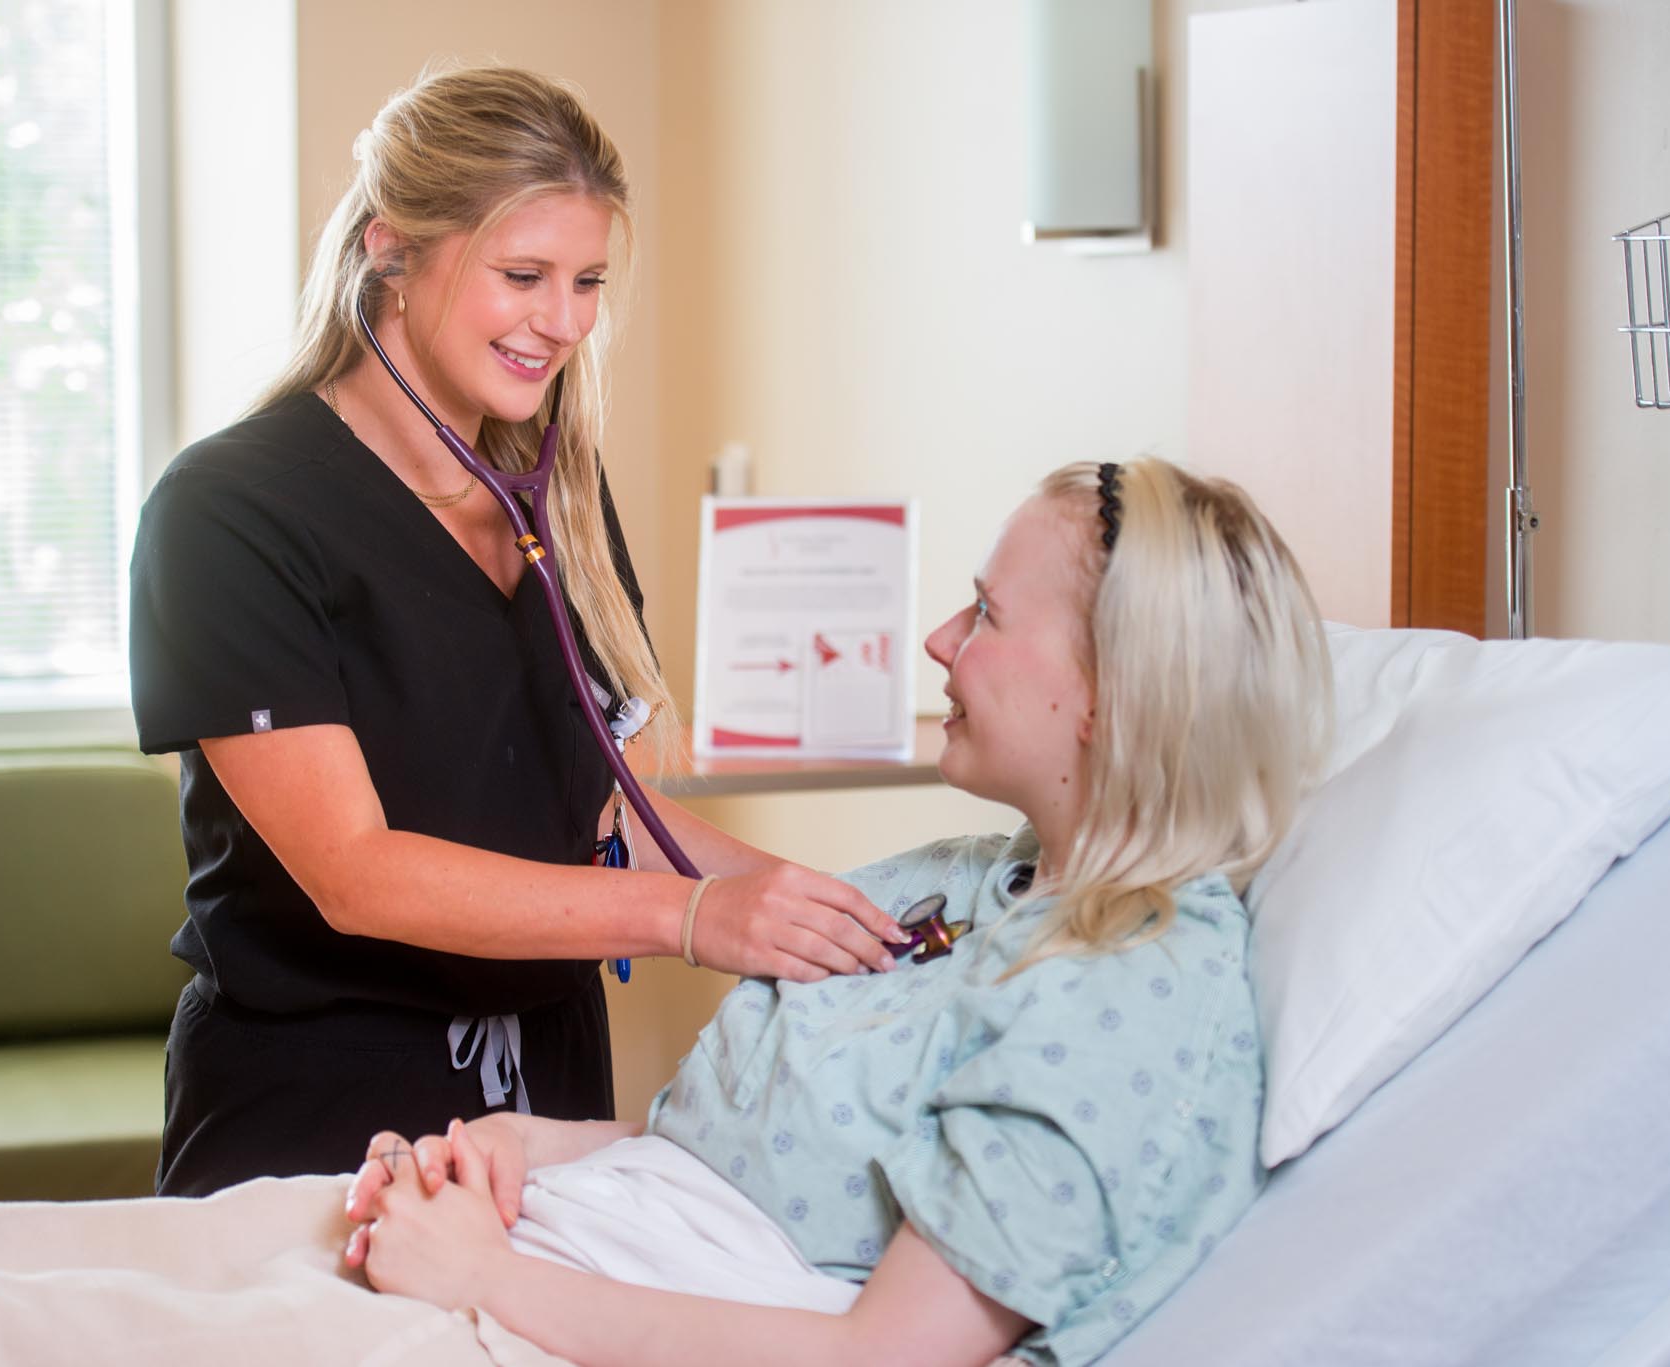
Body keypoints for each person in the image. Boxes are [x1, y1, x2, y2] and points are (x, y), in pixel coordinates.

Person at [342, 458, 1334, 1367]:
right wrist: (519, 1144)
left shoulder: (1132, 989)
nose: (938, 638)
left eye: (986, 614)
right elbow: (745, 1154)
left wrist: (482, 1276)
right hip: (573, 1239)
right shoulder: (971, 881)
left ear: (1113, 690)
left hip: (560, 1298)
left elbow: (878, 1354)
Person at [127, 65, 906, 1197]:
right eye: (524, 276)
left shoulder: (557, 499)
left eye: (587, 282)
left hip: (547, 1094)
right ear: (391, 252)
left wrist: (842, 920)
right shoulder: (231, 511)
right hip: (322, 1100)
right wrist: (696, 916)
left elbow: (604, 820)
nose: (566, 322)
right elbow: (355, 873)